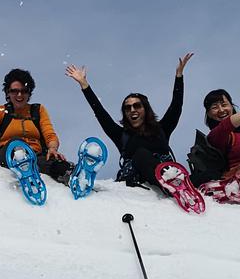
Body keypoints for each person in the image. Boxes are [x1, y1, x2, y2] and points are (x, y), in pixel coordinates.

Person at [64, 53, 193, 188]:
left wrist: (179, 76)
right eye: (127, 108)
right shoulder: (122, 136)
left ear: (146, 109)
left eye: (137, 106)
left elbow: (176, 106)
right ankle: (171, 187)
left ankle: (181, 187)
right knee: (141, 154)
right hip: (137, 185)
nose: (132, 110)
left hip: (166, 174)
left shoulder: (162, 129)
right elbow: (101, 114)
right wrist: (84, 85)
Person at [0, 68, 72, 183]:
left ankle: (72, 174)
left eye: (24, 91)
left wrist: (52, 148)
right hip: (5, 157)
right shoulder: (0, 111)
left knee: (56, 164)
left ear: (29, 92)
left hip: (34, 156)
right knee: (16, 142)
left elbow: (50, 135)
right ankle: (22, 162)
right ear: (8, 93)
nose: (19, 95)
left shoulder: (38, 110)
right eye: (14, 91)